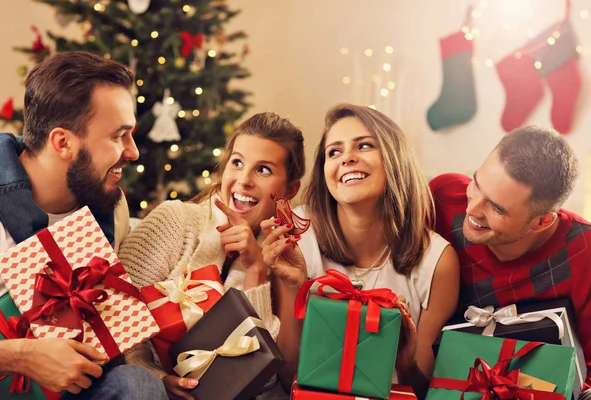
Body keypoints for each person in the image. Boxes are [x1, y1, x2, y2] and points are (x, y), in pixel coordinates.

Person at [0, 52, 168, 399]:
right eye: (119, 136)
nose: (132, 152)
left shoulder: (108, 203)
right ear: (63, 142)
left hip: (79, 387)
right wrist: (22, 356)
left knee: (138, 385)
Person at [118, 112, 307, 400]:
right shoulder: (176, 220)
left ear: (290, 190)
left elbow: (266, 381)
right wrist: (159, 378)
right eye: (237, 163)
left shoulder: (277, 259)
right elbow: (117, 314)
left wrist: (255, 269)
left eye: (264, 170)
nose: (244, 180)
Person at [290, 104, 460, 398]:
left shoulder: (437, 261)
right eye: (334, 152)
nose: (348, 158)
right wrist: (288, 284)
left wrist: (404, 362)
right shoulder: (297, 233)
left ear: (395, 158)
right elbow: (283, 369)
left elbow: (428, 392)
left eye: (364, 145)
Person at [430, 125, 591, 397]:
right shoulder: (441, 198)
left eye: (496, 208)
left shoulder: (584, 253)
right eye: (476, 184)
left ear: (541, 221)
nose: (472, 209)